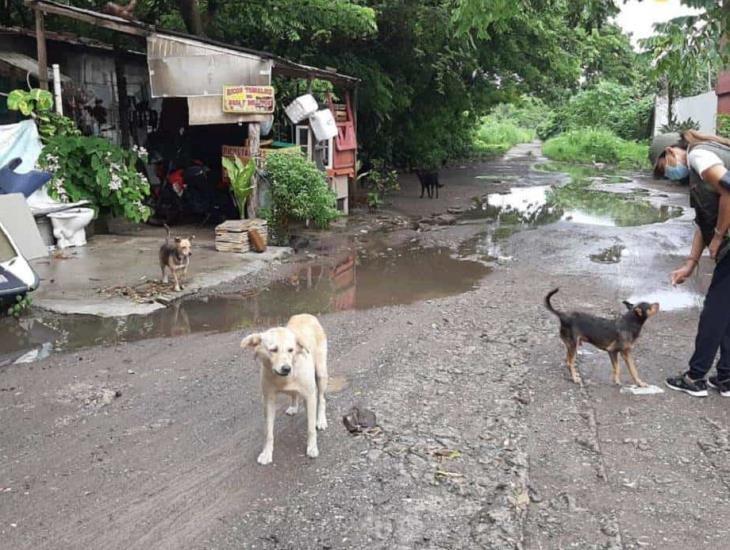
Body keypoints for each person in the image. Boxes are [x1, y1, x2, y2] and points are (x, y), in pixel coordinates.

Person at [652, 130, 730, 396]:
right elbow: (703, 224)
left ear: (671, 152)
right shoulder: (697, 176)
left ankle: (695, 377)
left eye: (664, 169)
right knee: (725, 310)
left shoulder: (699, 155)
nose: (667, 175)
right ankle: (726, 378)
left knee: (715, 310)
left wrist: (719, 237)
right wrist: (690, 263)